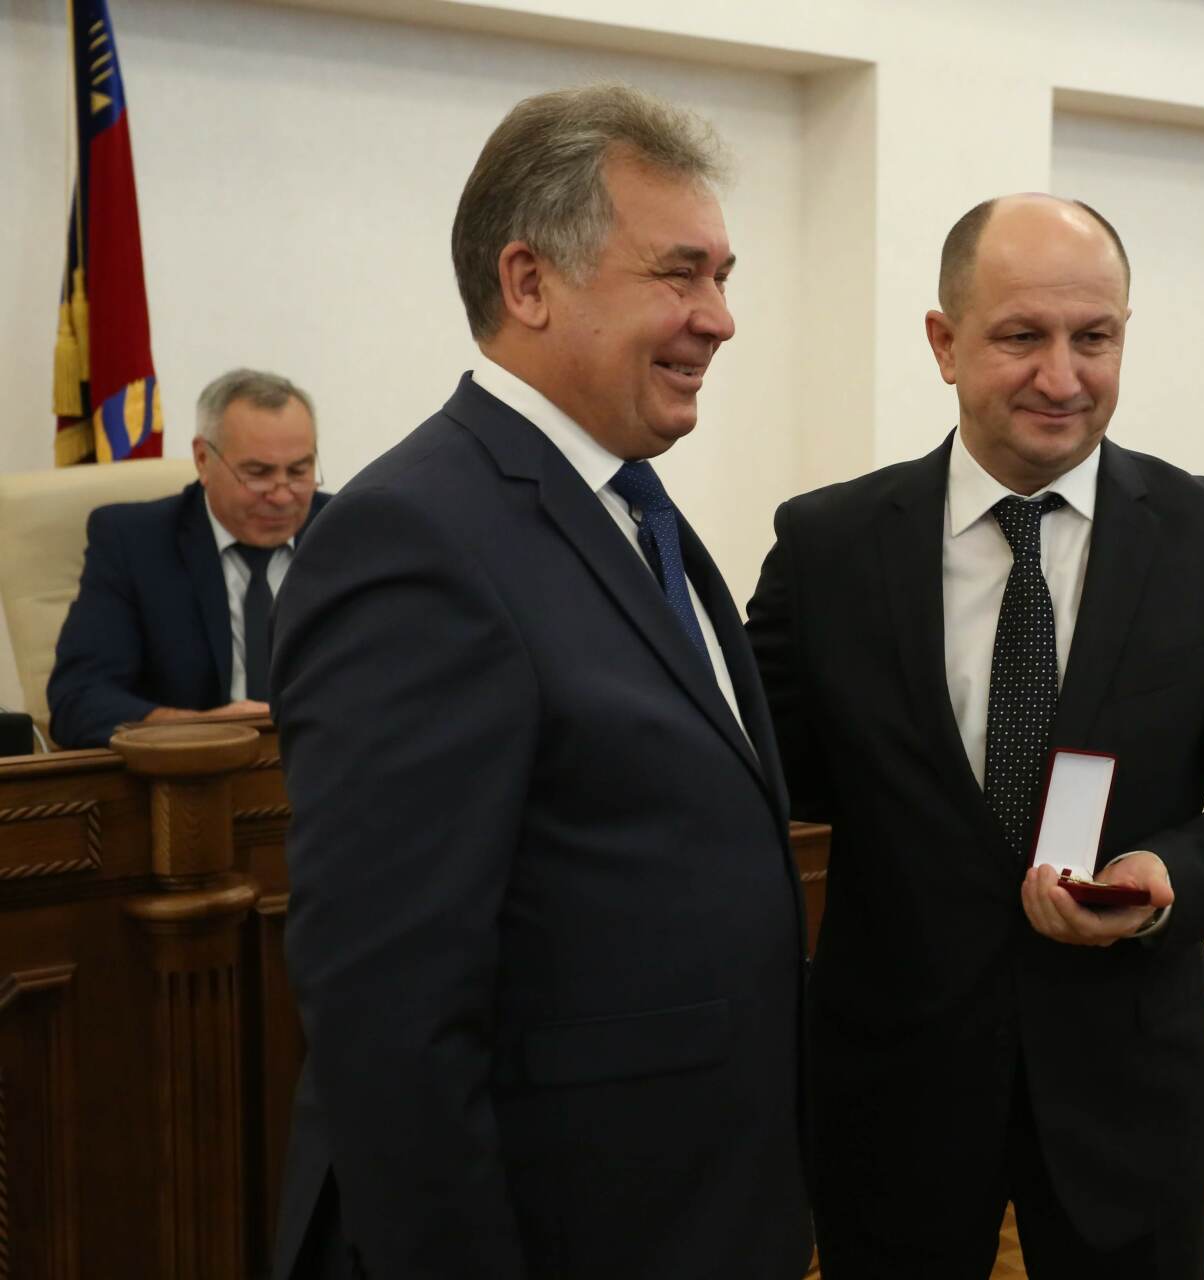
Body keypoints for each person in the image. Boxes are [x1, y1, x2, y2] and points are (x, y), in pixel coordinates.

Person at [744, 194, 1204, 1279]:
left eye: (1094, 338)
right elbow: (762, 782)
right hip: (895, 1096)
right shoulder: (828, 545)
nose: (1062, 377)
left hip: (1128, 1094)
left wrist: (1171, 874)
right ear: (945, 343)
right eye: (1022, 335)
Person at [268, 85, 810, 1280]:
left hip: (694, 1211)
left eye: (724, 276)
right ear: (529, 282)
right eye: (679, 274)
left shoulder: (633, 511)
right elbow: (390, 1015)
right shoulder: (414, 538)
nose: (720, 318)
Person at [46, 368, 326, 748]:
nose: (281, 495)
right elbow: (78, 701)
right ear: (203, 459)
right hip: (191, 773)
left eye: (298, 471)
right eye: (258, 473)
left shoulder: (347, 534)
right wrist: (201, 729)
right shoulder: (134, 543)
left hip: (326, 766)